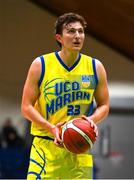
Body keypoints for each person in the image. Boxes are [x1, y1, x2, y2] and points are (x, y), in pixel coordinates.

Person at [21, 12, 109, 179]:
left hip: (80, 149)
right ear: (59, 38)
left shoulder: (95, 67)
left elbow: (104, 105)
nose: (77, 36)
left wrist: (92, 120)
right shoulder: (41, 65)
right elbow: (26, 107)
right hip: (46, 147)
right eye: (71, 31)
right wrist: (51, 128)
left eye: (80, 31)